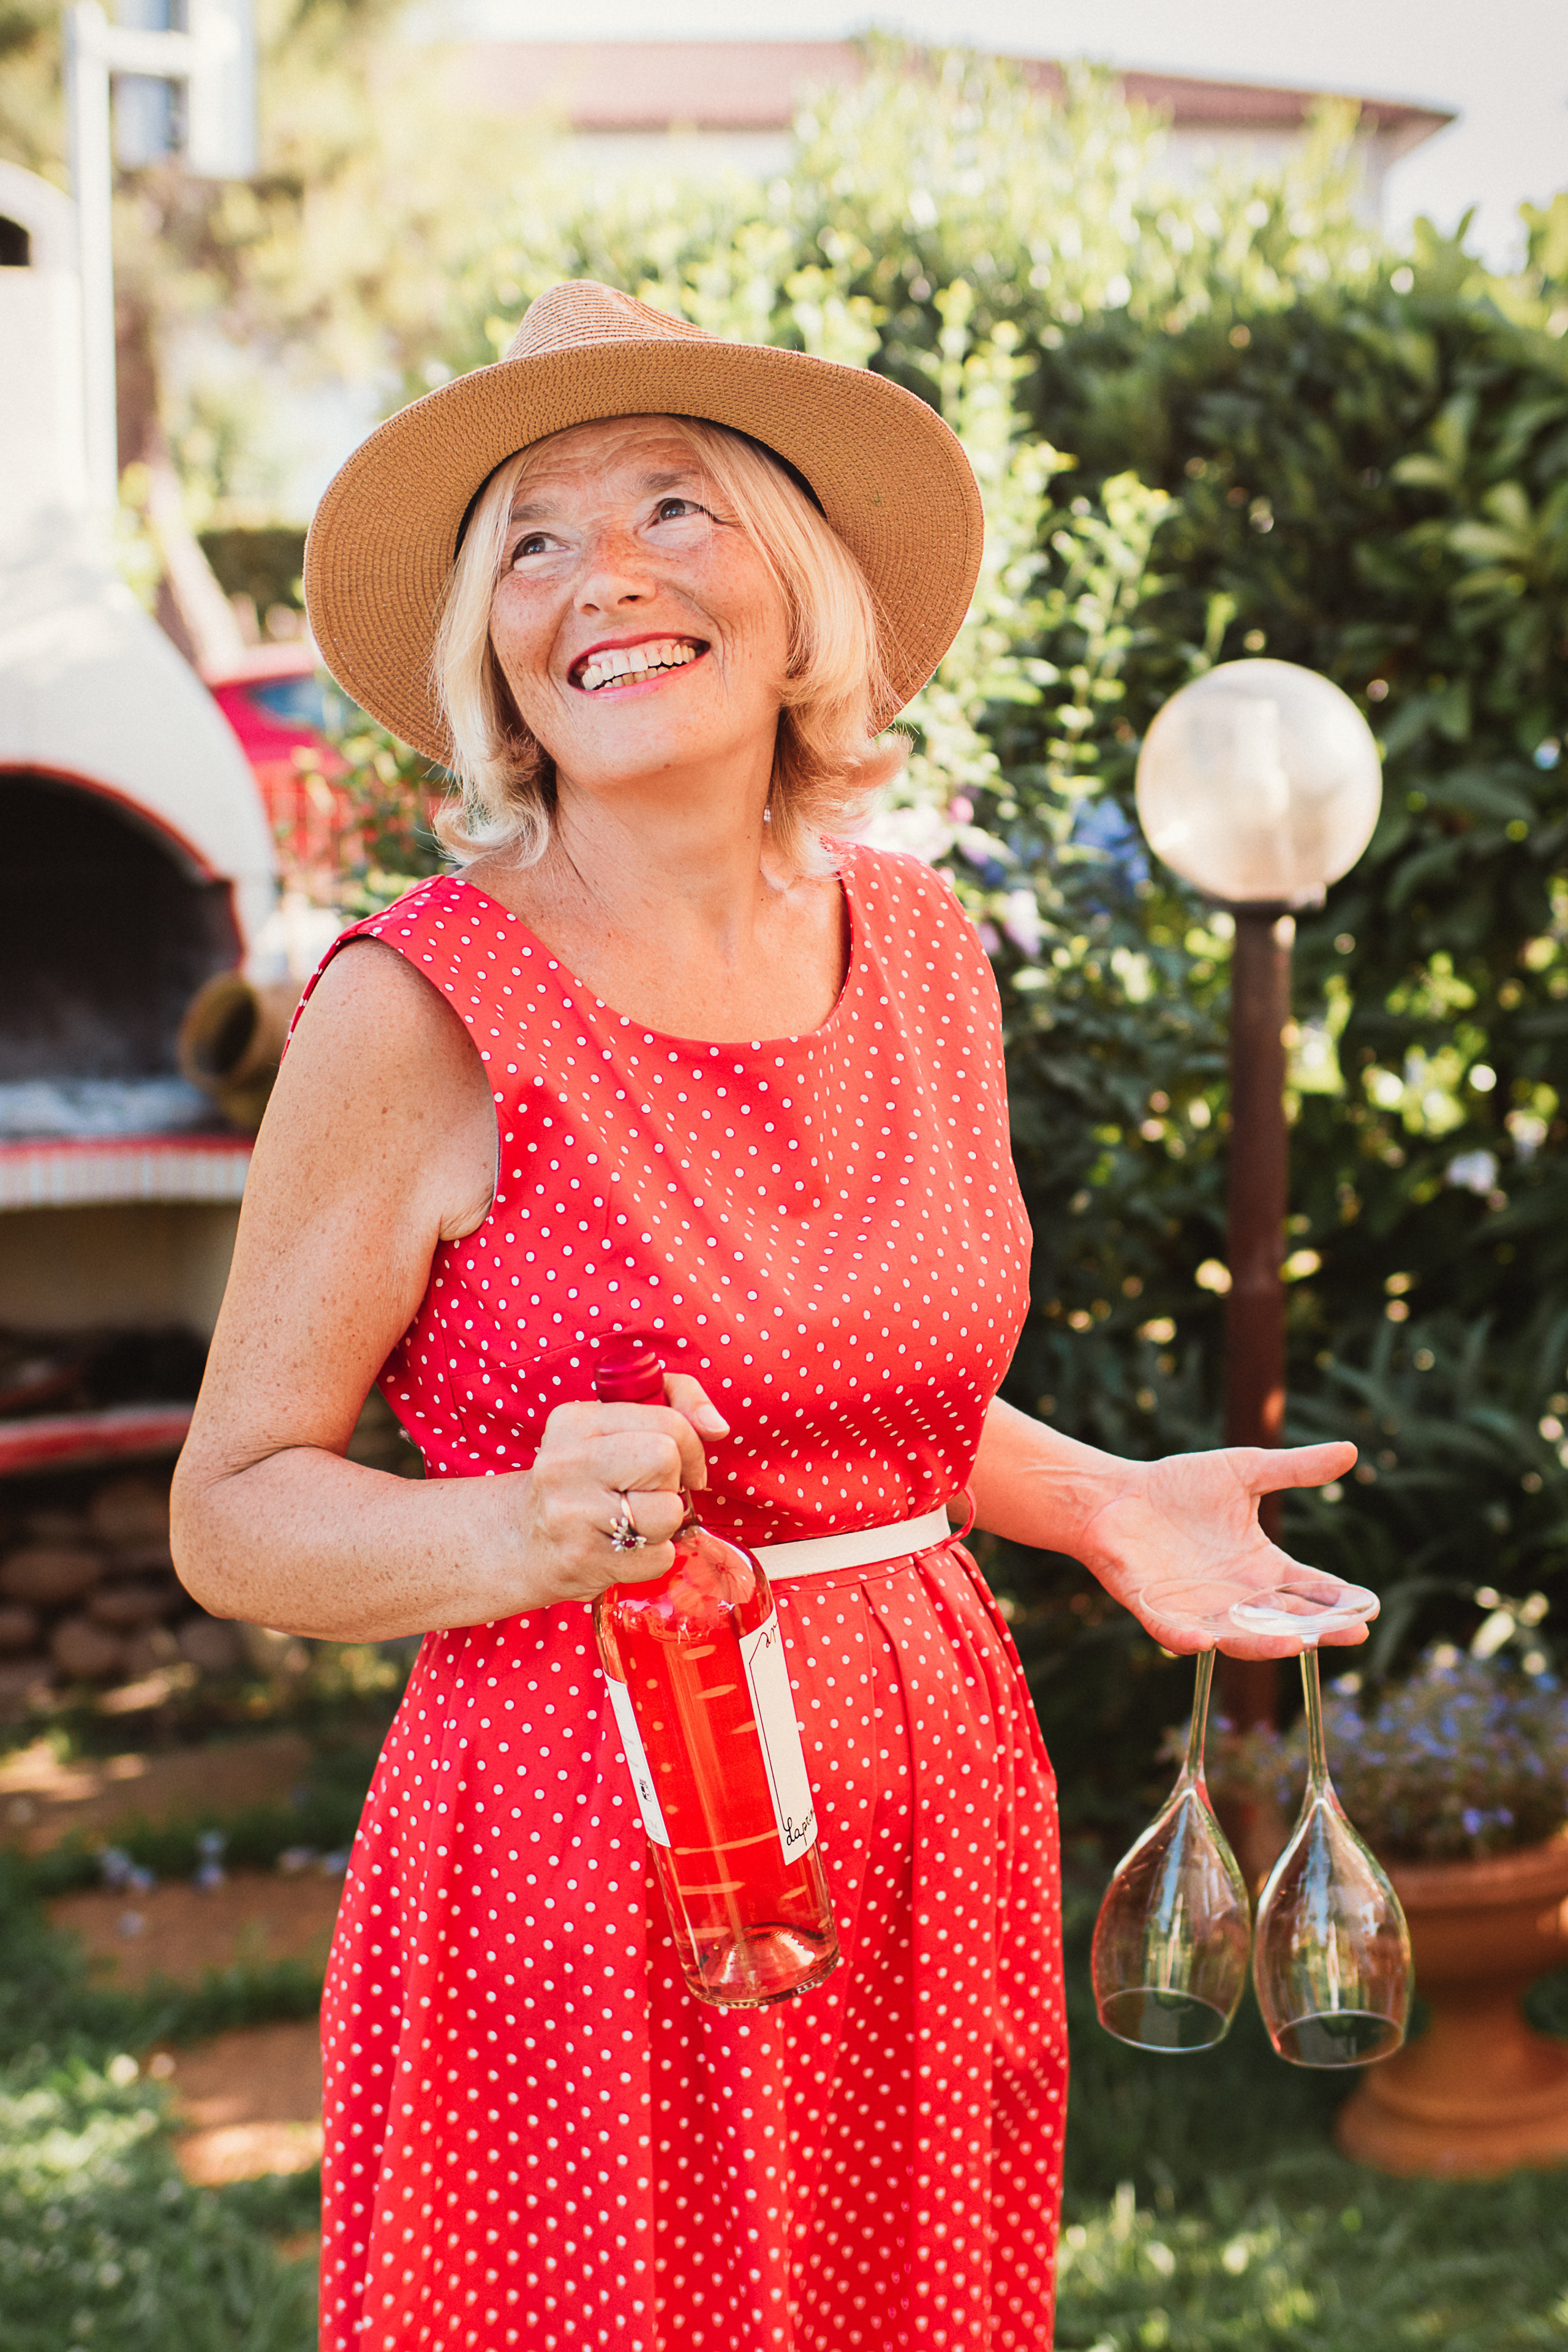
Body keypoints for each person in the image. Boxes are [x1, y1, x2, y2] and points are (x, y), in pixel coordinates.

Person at [171, 281, 1358, 2352]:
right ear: (496, 664)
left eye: (673, 508)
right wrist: (515, 1530)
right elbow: (234, 1510)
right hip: (587, 1841)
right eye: (530, 541)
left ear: (800, 591)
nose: (601, 577)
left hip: (928, 1822)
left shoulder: (918, 949)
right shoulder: (416, 1005)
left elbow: (839, 1384)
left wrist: (1097, 1504)